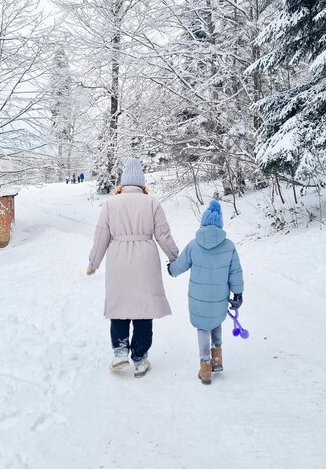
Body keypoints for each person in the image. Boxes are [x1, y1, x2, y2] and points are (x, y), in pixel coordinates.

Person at [87, 157, 178, 378]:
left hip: (118, 260)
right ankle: (139, 358)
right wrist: (175, 257)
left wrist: (93, 263)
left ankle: (120, 353)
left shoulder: (110, 204)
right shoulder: (152, 203)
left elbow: (101, 238)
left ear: (123, 183)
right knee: (143, 310)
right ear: (142, 183)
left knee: (119, 308)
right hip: (145, 260)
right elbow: (163, 235)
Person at [168, 199, 243, 385]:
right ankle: (217, 359)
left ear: (203, 222)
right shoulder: (229, 246)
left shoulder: (194, 245)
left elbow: (180, 265)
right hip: (219, 297)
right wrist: (238, 294)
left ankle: (205, 366)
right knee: (216, 321)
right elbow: (235, 272)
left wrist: (171, 269)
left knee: (203, 326)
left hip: (198, 297)